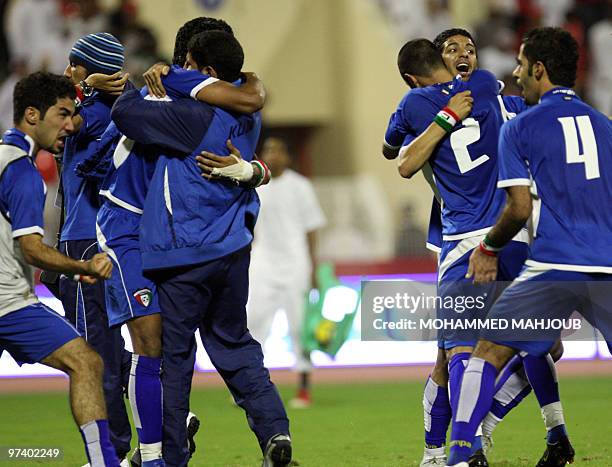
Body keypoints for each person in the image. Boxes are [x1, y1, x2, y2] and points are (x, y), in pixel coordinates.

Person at [110, 30, 292, 467]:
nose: (182, 70)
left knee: (173, 361)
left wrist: (159, 79)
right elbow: (248, 94)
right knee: (235, 344)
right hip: (233, 250)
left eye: (190, 64)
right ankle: (275, 431)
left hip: (185, 255)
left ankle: (170, 456)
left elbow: (125, 112)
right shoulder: (249, 116)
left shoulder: (190, 117)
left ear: (207, 74)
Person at [446, 26, 612, 467]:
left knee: (488, 351)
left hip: (555, 265)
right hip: (609, 265)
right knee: (540, 350)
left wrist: (488, 247)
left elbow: (518, 209)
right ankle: (555, 435)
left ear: (538, 69)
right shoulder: (605, 125)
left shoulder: (520, 127)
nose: (515, 74)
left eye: (520, 65)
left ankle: (459, 456)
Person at [0, 71, 117, 466]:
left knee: (87, 361)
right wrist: (81, 265)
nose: (70, 125)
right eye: (62, 114)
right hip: (7, 304)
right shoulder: (20, 169)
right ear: (32, 115)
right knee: (86, 361)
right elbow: (31, 248)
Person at [58, 32, 133, 465]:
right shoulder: (104, 107)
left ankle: (112, 452)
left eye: (76, 64)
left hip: (86, 240)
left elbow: (56, 116)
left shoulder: (99, 111)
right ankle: (163, 419)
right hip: (93, 238)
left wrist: (85, 92)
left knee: (92, 353)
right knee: (105, 346)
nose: (69, 71)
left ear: (97, 69)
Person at [247, 136, 326, 408]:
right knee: (254, 324)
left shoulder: (300, 186)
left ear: (288, 157)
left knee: (300, 328)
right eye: (268, 149)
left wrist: (314, 267)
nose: (273, 154)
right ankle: (250, 387)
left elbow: (312, 228)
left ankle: (303, 387)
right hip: (263, 264)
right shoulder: (254, 185)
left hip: (295, 265)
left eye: (278, 149)